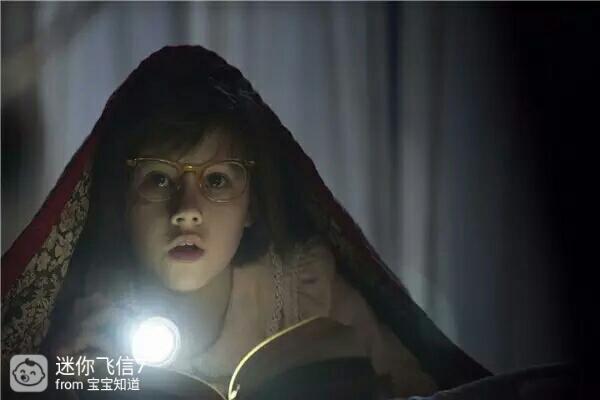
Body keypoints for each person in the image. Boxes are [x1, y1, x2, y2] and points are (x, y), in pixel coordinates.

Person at [1, 46, 490, 399]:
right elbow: (21, 380)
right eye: (159, 179)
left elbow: (419, 387)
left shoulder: (303, 290)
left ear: (252, 204)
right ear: (122, 201)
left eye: (216, 180)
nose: (186, 209)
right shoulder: (96, 306)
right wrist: (63, 374)